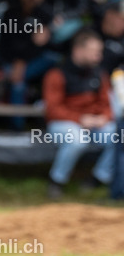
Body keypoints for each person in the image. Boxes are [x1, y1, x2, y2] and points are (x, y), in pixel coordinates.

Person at [43, 30, 116, 198]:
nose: (99, 56)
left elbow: (107, 105)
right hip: (63, 123)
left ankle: (98, 178)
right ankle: (56, 181)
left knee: (118, 135)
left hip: (93, 125)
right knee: (77, 140)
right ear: (78, 50)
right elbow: (52, 110)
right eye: (94, 52)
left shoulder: (99, 73)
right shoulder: (57, 74)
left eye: (100, 52)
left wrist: (103, 118)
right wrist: (80, 119)